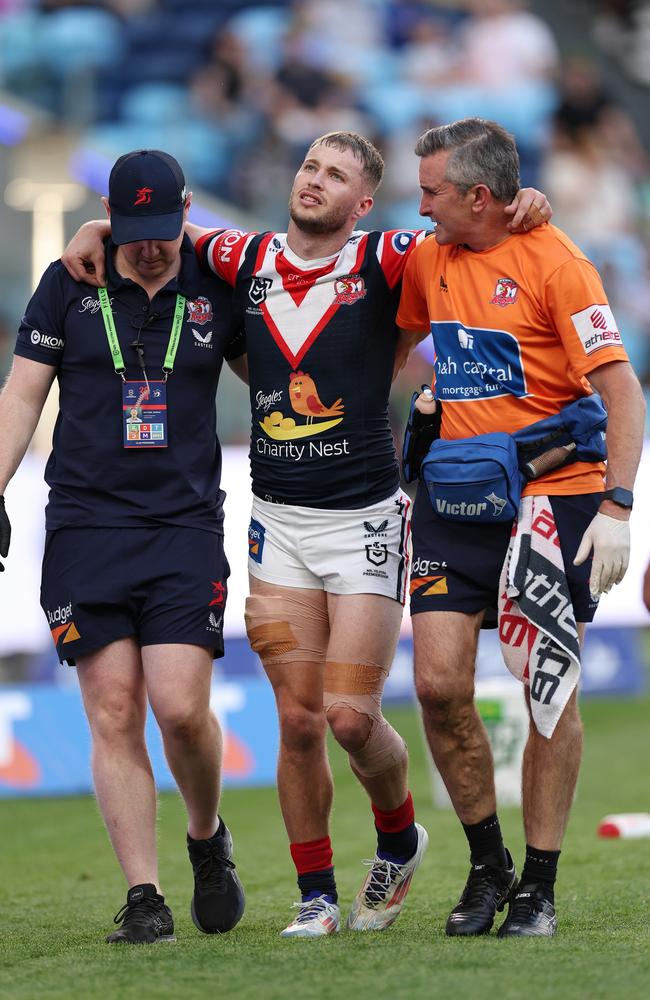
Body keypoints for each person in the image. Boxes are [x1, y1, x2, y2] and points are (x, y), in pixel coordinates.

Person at [61, 132, 550, 938]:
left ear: (364, 203)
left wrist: (529, 206)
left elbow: (472, 229)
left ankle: (398, 840)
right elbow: (156, 222)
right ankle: (316, 894)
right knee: (297, 722)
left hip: (363, 521)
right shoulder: (237, 253)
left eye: (337, 174)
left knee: (351, 718)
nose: (314, 179)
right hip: (277, 525)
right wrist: (97, 231)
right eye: (309, 166)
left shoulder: (390, 257)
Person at [396, 117, 645, 937]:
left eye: (432, 190)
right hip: (455, 497)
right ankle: (486, 864)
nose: (419, 203)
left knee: (547, 698)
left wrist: (616, 506)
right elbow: (393, 344)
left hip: (556, 504)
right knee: (437, 688)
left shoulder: (560, 264)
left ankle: (537, 887)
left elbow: (623, 394)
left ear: (477, 195)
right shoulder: (428, 254)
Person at [0, 150, 248, 944]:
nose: (147, 248)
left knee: (180, 710)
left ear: (184, 215)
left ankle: (208, 838)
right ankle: (145, 897)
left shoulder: (215, 282)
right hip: (85, 527)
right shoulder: (68, 283)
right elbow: (21, 394)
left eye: (162, 230)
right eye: (130, 230)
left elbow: (271, 374)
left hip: (183, 526)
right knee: (113, 710)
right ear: (113, 215)